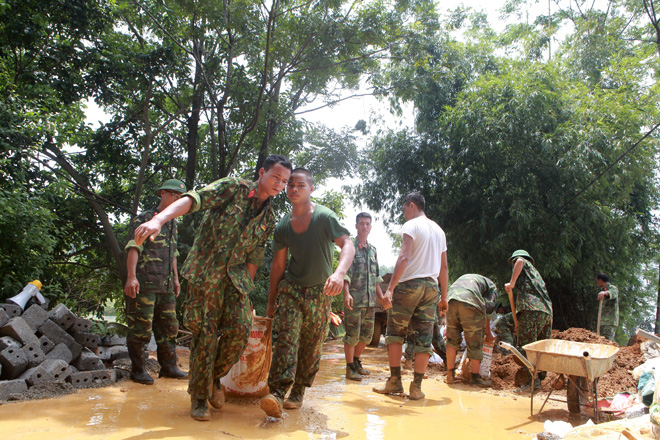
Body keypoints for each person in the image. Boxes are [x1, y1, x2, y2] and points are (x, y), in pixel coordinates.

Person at [132, 155, 292, 421]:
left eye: (284, 181)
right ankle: (198, 399)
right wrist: (160, 219)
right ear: (262, 172)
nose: (279, 184)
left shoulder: (270, 216)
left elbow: (254, 254)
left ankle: (212, 378)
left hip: (236, 280)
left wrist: (246, 289)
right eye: (276, 177)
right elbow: (194, 199)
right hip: (206, 273)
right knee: (205, 337)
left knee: (240, 332)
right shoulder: (233, 188)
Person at [260, 168, 355, 418]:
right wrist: (271, 302)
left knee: (312, 345)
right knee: (287, 340)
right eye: (290, 185)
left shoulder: (324, 217)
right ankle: (277, 393)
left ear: (311, 189)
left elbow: (348, 244)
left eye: (300, 185)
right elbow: (279, 266)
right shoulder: (282, 226)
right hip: (291, 289)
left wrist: (339, 273)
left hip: (320, 291)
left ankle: (299, 390)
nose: (293, 189)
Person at [373, 192, 448, 400]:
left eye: (405, 209)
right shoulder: (439, 231)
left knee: (395, 333)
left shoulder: (411, 225)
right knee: (424, 338)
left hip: (410, 285)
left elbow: (404, 256)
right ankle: (416, 387)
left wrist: (390, 289)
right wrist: (444, 297)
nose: (405, 213)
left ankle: (395, 382)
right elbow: (443, 267)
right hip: (432, 288)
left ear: (412, 206)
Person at [124, 179, 188, 385]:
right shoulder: (145, 218)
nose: (176, 199)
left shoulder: (173, 223)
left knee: (169, 328)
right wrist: (131, 277)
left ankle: (169, 367)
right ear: (162, 193)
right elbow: (135, 246)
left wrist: (176, 279)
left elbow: (174, 254)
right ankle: (138, 370)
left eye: (180, 197)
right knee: (141, 329)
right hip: (145, 284)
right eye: (173, 195)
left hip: (167, 286)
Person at [342, 212, 383, 381]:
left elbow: (377, 278)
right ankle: (349, 367)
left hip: (370, 302)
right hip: (355, 300)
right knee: (352, 335)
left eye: (367, 223)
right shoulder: (350, 247)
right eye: (361, 223)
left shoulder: (373, 251)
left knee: (367, 335)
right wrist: (346, 294)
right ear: (356, 226)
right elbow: (345, 273)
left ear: (371, 227)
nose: (364, 226)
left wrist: (382, 297)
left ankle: (356, 361)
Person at [504, 249, 553, 392]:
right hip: (546, 312)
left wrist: (512, 283)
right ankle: (541, 378)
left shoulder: (522, 262)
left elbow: (519, 261)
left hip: (531, 309)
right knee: (540, 348)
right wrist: (518, 323)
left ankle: (533, 382)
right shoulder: (536, 275)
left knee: (526, 347)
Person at [444, 274, 497, 387]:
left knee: (451, 340)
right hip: (470, 301)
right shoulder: (492, 287)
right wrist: (487, 333)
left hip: (451, 299)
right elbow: (488, 309)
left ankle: (450, 374)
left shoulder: (470, 278)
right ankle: (475, 378)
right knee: (474, 341)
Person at [596, 273, 619, 341]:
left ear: (600, 280)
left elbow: (611, 293)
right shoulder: (603, 291)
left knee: (608, 340)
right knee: (602, 341)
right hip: (602, 322)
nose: (597, 283)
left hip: (609, 322)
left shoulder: (613, 288)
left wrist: (604, 293)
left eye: (597, 281)